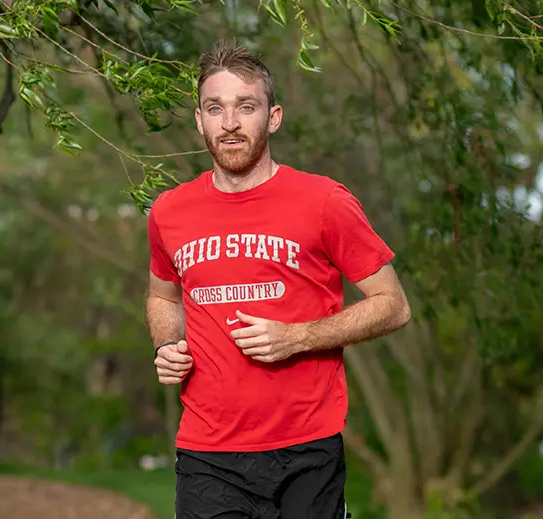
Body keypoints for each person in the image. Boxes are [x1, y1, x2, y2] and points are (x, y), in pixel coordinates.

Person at [145, 39, 411, 519]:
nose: (230, 123)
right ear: (198, 120)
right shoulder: (169, 211)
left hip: (307, 448)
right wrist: (167, 344)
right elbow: (162, 297)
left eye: (246, 107)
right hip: (208, 453)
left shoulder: (324, 201)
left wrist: (298, 336)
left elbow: (393, 304)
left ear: (274, 117)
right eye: (215, 108)